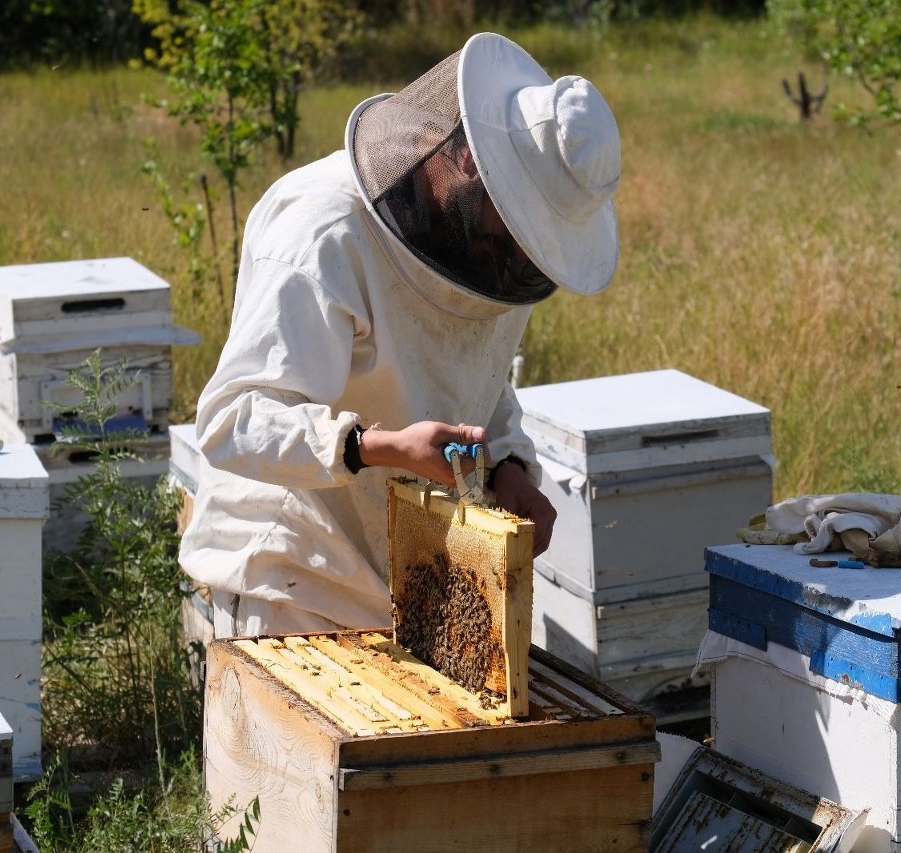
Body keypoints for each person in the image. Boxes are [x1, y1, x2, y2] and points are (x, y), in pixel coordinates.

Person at [178, 32, 621, 638]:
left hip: (416, 580)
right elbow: (234, 421)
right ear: (472, 163)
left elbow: (476, 371)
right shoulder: (324, 235)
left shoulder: (495, 253)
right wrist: (374, 446)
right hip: (292, 578)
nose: (519, 247)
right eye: (516, 222)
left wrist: (506, 465)